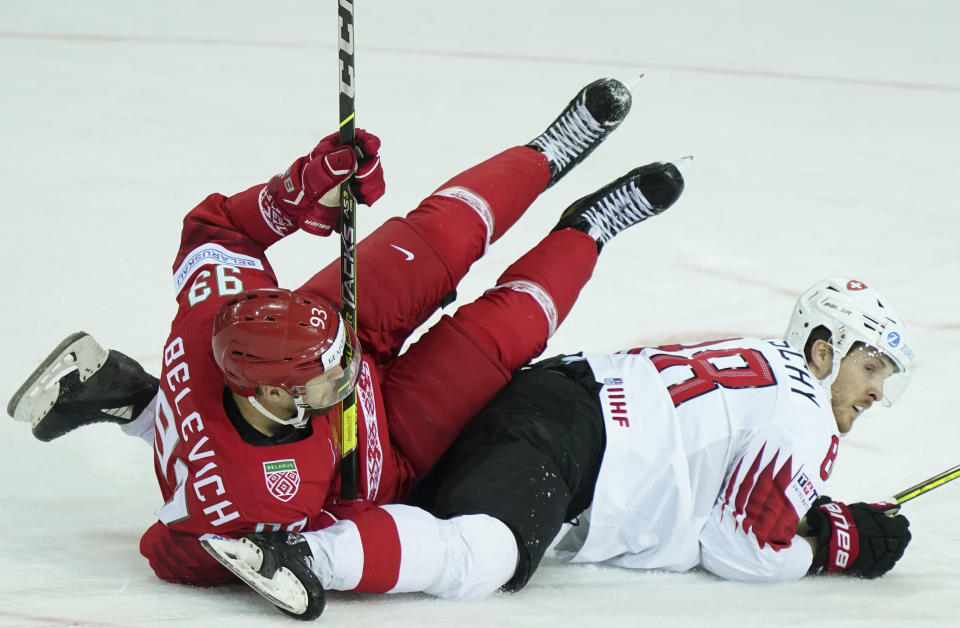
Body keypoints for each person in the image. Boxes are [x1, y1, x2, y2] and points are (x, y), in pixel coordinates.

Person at [7, 77, 687, 601]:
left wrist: (306, 187)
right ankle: (589, 229)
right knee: (507, 328)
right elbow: (170, 548)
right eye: (325, 373)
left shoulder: (212, 317)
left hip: (334, 312)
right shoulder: (261, 493)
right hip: (385, 447)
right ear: (274, 391)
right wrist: (307, 561)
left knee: (440, 233)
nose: (345, 368)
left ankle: (546, 154)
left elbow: (218, 231)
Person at [200, 277, 916, 619]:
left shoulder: (759, 354)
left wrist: (811, 514)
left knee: (405, 499)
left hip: (549, 401)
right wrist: (831, 545)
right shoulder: (804, 417)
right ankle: (302, 552)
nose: (876, 392)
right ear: (824, 349)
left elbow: (721, 479)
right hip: (573, 451)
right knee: (483, 554)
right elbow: (743, 551)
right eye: (871, 368)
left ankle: (183, 436)